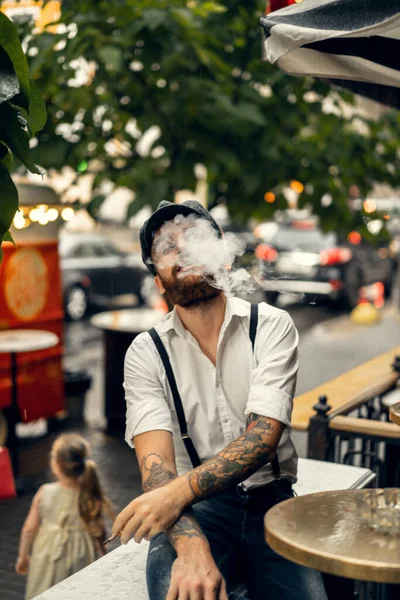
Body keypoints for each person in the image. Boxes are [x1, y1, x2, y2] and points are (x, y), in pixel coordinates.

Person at [113, 200, 327, 600]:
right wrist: (190, 544)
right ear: (158, 278)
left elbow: (262, 438)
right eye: (166, 248)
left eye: (194, 238)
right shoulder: (145, 353)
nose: (184, 252)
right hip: (197, 515)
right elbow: (157, 468)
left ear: (223, 255)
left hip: (273, 504)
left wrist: (172, 495)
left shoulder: (271, 326)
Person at [15, 433, 113, 600]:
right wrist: (102, 553)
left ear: (56, 465)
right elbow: (99, 529)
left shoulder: (45, 492)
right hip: (81, 553)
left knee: (44, 589)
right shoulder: (88, 493)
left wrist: (23, 556)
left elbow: (29, 529)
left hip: (48, 553)